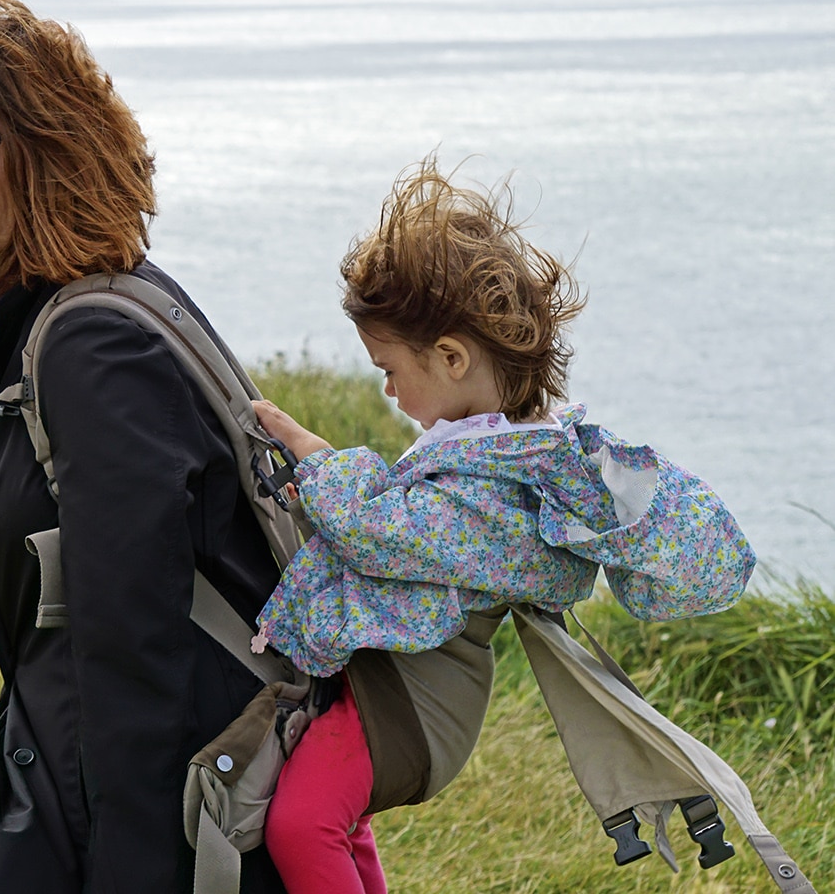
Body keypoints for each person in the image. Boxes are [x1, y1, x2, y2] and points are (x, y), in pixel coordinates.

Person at [0, 0, 287, 893]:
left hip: (143, 827)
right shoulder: (92, 310)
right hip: (83, 798)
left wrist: (130, 873)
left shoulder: (89, 341)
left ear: (46, 142)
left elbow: (132, 652)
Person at [250, 158, 756, 894]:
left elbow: (387, 529)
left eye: (389, 369)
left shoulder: (504, 485)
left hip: (415, 705)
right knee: (341, 821)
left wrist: (316, 456)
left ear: (451, 357)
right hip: (402, 686)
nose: (386, 389)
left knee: (302, 824)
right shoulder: (492, 451)